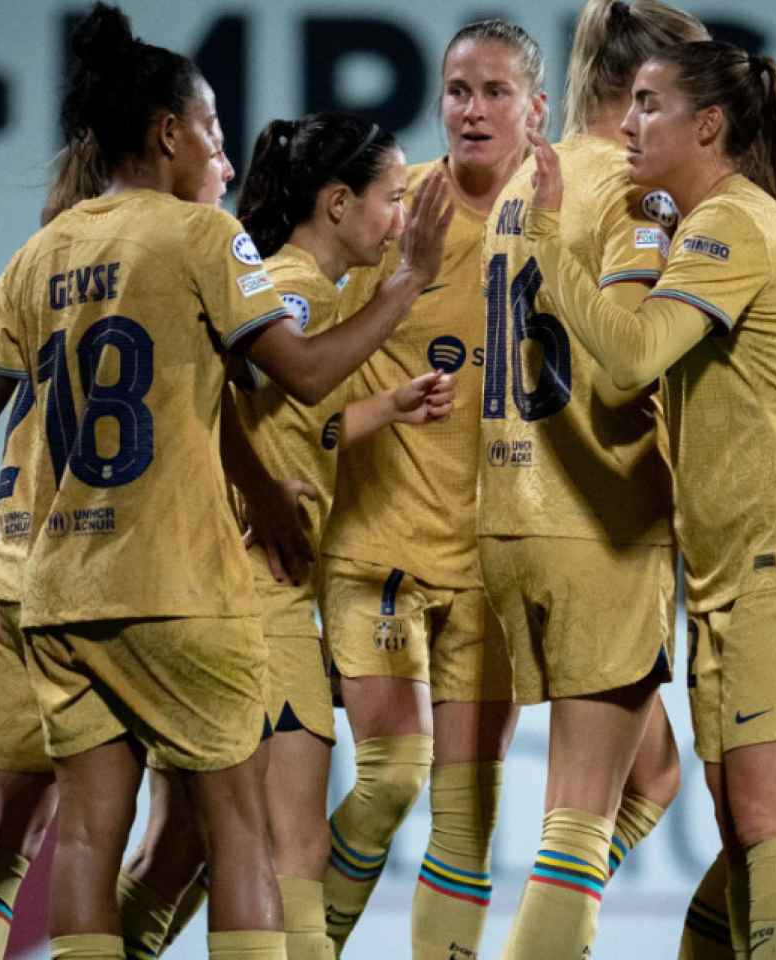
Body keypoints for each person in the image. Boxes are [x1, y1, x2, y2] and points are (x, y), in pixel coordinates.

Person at [0, 5, 452, 959]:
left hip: (58, 593)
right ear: (169, 132)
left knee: (86, 833)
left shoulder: (37, 256)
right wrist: (406, 286)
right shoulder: (205, 239)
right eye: (211, 128)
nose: (222, 150)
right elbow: (298, 372)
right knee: (241, 829)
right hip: (179, 585)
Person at [525, 41, 776, 960]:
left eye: (649, 105)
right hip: (736, 564)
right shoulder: (711, 224)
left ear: (709, 126)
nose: (630, 123)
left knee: (770, 817)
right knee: (742, 824)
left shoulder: (731, 226)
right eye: (631, 102)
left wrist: (549, 239)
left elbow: (635, 355)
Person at [115, 112, 461, 960]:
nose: (400, 220)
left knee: (180, 853)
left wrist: (382, 408)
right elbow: (233, 400)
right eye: (391, 200)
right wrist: (409, 281)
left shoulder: (300, 290)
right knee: (291, 854)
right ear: (338, 203)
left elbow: (284, 426)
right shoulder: (297, 289)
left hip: (213, 598)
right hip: (258, 604)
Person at [0, 125, 233, 960]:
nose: (223, 167)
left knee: (1, 834)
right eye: (212, 146)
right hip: (136, 581)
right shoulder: (184, 270)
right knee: (198, 831)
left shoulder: (47, 270)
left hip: (19, 565)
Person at [476, 2, 708, 956]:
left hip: (510, 511)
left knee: (653, 775)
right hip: (596, 521)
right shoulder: (638, 194)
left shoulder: (527, 182)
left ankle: (546, 933)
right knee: (574, 821)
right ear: (656, 86)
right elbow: (628, 360)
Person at [313, 19, 545, 959]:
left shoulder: (564, 217)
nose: (473, 109)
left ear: (535, 108)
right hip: (381, 549)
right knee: (388, 779)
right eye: (458, 90)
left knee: (467, 816)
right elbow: (302, 368)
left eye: (494, 92)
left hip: (496, 563)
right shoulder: (396, 213)